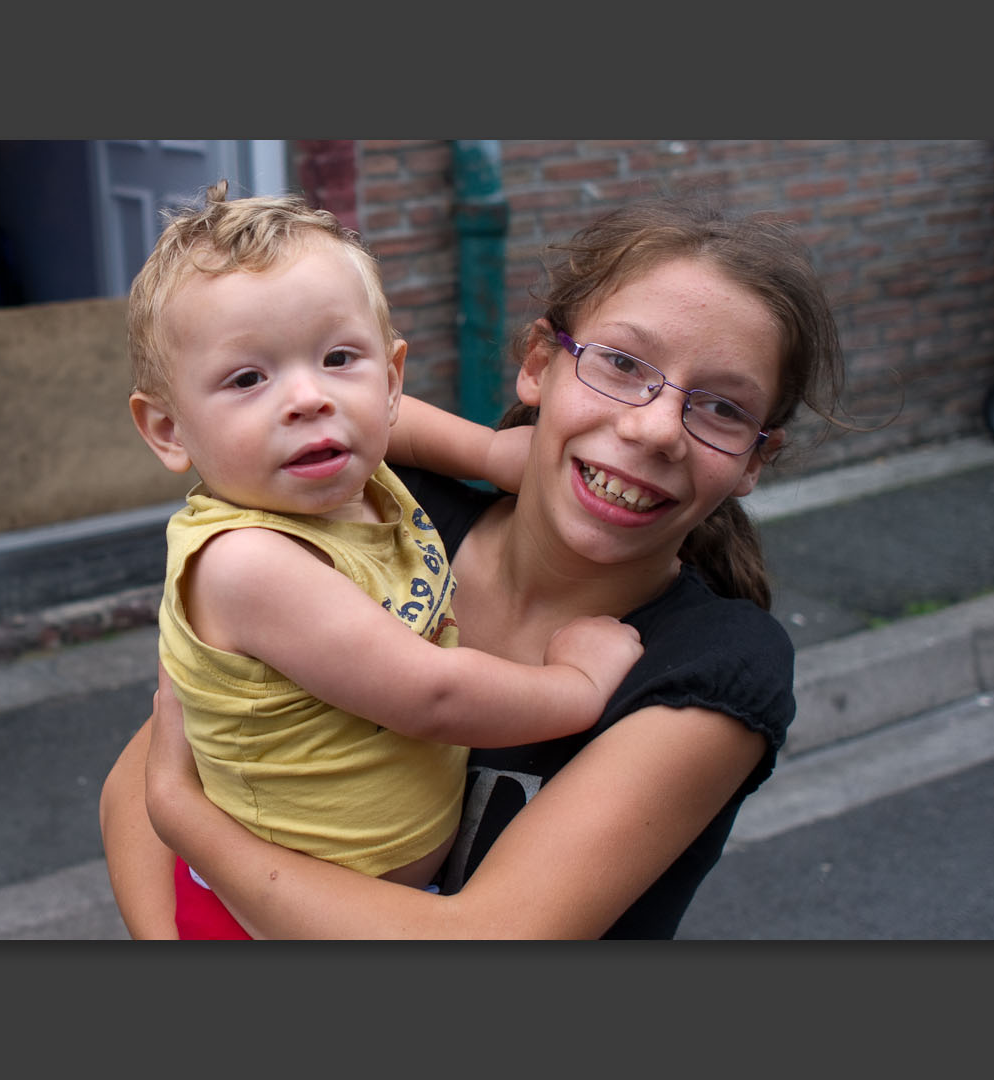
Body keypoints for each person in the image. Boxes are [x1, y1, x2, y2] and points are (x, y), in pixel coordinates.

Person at [100, 192, 850, 938]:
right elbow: (155, 762)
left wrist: (186, 820)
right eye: (622, 364)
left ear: (756, 460)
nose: (654, 429)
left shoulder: (712, 667)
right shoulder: (355, 522)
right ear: (539, 364)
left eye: (723, 408)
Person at [124, 182, 646, 938]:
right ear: (169, 430)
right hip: (270, 920)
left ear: (392, 378)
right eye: (248, 378)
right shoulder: (250, 561)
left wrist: (491, 451)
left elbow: (391, 427)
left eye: (338, 357)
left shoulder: (342, 476)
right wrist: (578, 683)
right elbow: (431, 695)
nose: (308, 398)